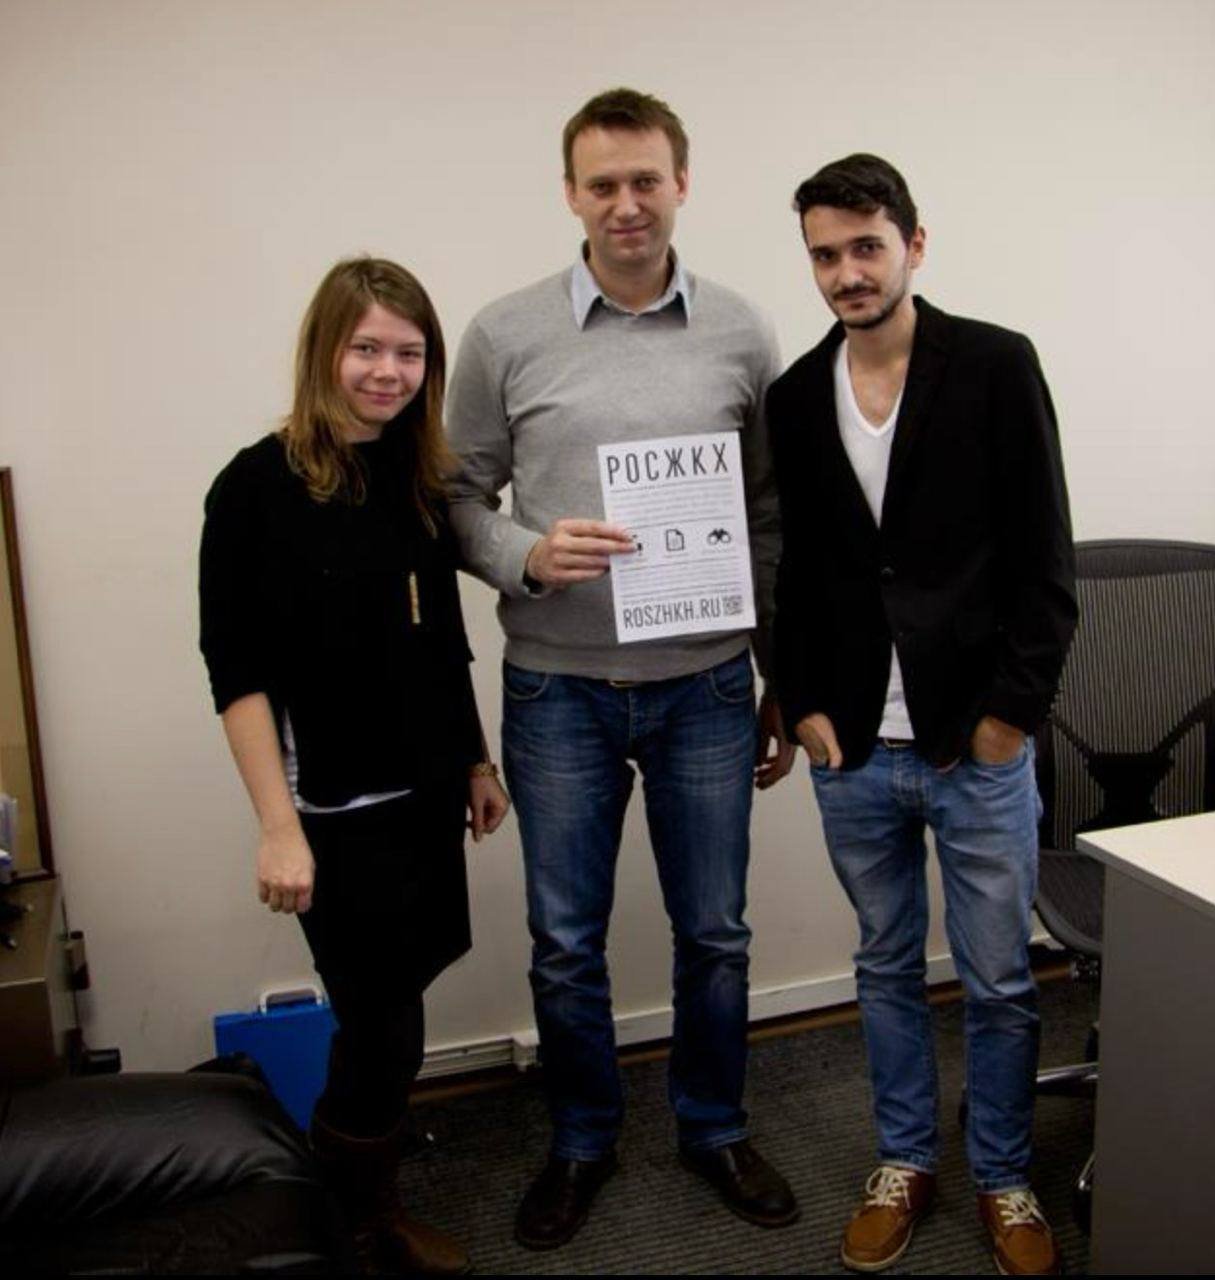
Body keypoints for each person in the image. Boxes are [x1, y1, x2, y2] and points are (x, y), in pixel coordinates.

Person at [446, 87, 798, 1249]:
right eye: (603, 183)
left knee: (717, 932)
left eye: (646, 178)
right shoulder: (504, 333)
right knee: (565, 938)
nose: (627, 203)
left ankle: (712, 1124)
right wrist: (524, 554)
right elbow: (451, 495)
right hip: (559, 689)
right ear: (570, 195)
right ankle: (583, 1138)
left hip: (704, 683)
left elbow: (772, 512)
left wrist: (777, 668)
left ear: (682, 183)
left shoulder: (744, 330)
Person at [767, 155, 1078, 1276]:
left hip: (973, 746)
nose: (847, 271)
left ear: (913, 243)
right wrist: (800, 702)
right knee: (885, 966)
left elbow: (1047, 567)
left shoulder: (994, 365)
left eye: (866, 246)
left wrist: (1006, 722)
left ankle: (1002, 1170)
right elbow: (794, 570)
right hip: (853, 748)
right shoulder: (797, 396)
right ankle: (906, 1157)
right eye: (825, 253)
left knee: (997, 976)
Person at [198, 257, 509, 1276]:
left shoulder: (412, 478)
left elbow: (441, 638)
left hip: (420, 793)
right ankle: (349, 1222)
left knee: (402, 1006)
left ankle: (357, 1199)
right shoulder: (253, 487)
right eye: (367, 346)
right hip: (329, 807)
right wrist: (276, 822)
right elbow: (235, 671)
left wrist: (473, 757)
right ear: (325, 349)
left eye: (409, 350)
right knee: (381, 1026)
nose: (388, 369)